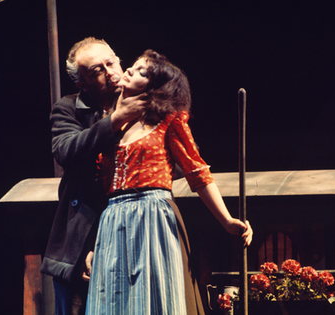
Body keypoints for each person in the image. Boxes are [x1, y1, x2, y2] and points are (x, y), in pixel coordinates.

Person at [85, 50, 253, 315]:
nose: (129, 70)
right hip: (113, 221)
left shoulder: (168, 121)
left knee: (155, 299)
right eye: (134, 66)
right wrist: (93, 244)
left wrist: (227, 220)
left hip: (152, 216)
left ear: (155, 88)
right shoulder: (112, 127)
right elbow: (100, 189)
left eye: (141, 72)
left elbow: (197, 172)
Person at [40, 37, 145, 315]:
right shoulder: (68, 108)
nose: (110, 73)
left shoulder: (146, 102)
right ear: (82, 84)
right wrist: (115, 121)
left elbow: (177, 164)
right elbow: (65, 150)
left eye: (110, 63)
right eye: (97, 70)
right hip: (81, 240)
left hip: (134, 234)